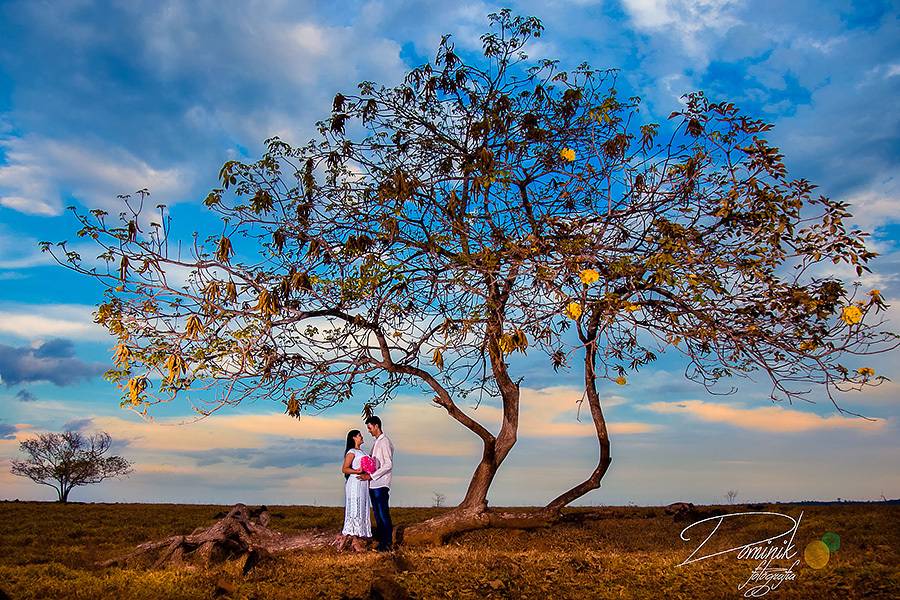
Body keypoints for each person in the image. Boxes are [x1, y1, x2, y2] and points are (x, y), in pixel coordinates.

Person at [359, 415, 394, 551]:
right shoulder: (376, 443)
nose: (369, 431)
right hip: (373, 484)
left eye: (370, 428)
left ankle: (387, 543)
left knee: (383, 514)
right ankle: (382, 543)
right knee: (378, 514)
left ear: (376, 426)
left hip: (381, 483)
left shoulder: (384, 442)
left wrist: (371, 476)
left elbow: (388, 464)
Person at [340, 429, 372, 549]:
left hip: (363, 483)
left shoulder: (362, 452)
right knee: (355, 508)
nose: (361, 437)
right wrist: (356, 471)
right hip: (355, 482)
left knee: (361, 508)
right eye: (359, 435)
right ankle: (353, 540)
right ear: (353, 438)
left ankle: (349, 540)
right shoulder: (352, 452)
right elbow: (345, 468)